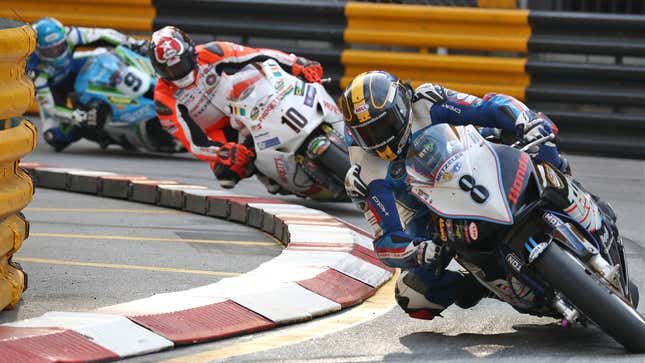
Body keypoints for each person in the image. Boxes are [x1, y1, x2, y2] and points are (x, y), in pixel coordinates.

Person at [340, 70, 615, 320]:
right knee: (413, 294)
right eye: (367, 133)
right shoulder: (364, 172)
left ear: (400, 107)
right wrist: (416, 250)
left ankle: (583, 203)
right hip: (431, 213)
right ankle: (486, 286)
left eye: (382, 125)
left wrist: (524, 121)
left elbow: (489, 106)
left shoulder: (426, 100)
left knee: (542, 135)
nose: (377, 139)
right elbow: (386, 239)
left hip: (475, 158)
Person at [149, 26, 324, 189]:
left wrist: (299, 64)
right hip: (216, 131)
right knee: (226, 174)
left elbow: (259, 55)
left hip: (241, 97)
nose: (179, 73)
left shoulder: (211, 52)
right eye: (170, 70)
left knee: (265, 72)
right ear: (159, 69)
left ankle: (311, 111)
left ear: (191, 53)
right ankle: (271, 173)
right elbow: (193, 142)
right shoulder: (163, 99)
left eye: (182, 64)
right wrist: (221, 151)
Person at [27, 17, 148, 151]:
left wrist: (135, 44)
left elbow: (104, 34)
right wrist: (80, 116)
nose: (56, 53)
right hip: (55, 90)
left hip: (76, 67)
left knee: (110, 55)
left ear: (64, 39)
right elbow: (50, 107)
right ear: (38, 50)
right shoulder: (34, 68)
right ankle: (106, 134)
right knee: (53, 136)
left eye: (60, 47)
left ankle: (131, 98)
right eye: (49, 51)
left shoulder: (70, 34)